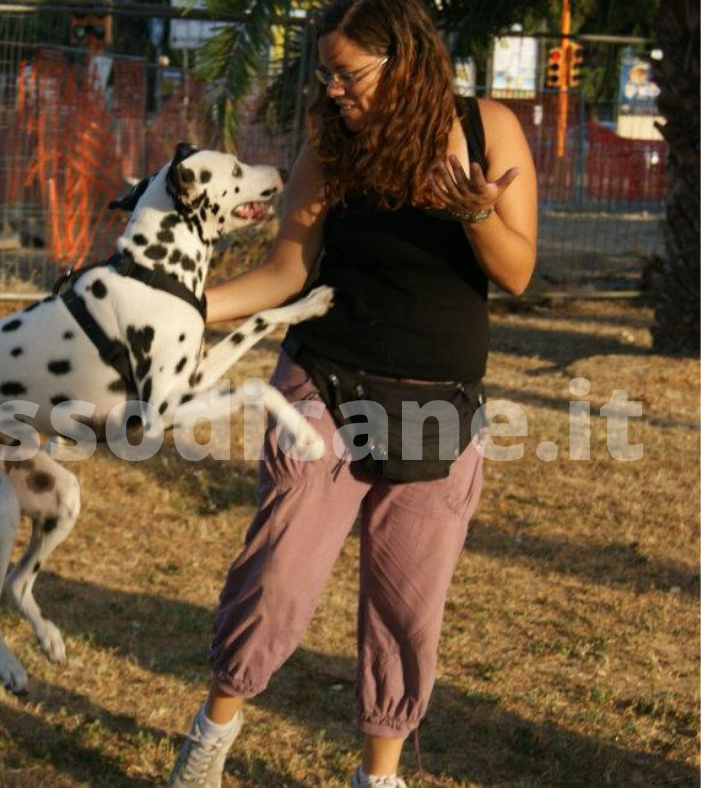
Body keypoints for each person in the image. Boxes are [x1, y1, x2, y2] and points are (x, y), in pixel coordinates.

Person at [168, 0, 537, 785]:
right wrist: (169, 304)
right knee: (276, 579)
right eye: (325, 73)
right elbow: (284, 275)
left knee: (407, 607)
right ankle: (211, 736)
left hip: (439, 405)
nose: (333, 89)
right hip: (325, 386)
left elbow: (516, 271)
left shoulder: (487, 130)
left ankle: (380, 775)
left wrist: (474, 213)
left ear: (405, 61)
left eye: (349, 74)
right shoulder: (332, 147)